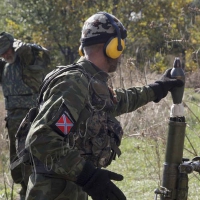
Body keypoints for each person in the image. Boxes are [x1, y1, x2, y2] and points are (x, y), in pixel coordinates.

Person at [24, 12, 183, 200]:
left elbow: (118, 101)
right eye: (121, 45)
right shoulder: (74, 83)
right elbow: (41, 137)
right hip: (52, 194)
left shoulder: (89, 82)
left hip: (67, 190)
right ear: (113, 47)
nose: (122, 53)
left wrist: (158, 88)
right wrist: (89, 177)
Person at [0, 32, 51, 200]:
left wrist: (17, 44)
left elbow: (28, 51)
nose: (6, 55)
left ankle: (35, 191)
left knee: (32, 155)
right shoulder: (4, 66)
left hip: (32, 117)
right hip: (13, 120)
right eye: (2, 53)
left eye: (8, 50)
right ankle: (25, 190)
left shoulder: (25, 58)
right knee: (17, 159)